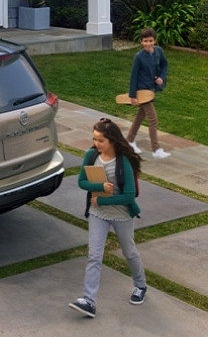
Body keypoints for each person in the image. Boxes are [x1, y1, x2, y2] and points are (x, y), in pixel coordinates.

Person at [69, 118, 147, 318]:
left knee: (129, 252)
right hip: (98, 214)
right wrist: (99, 188)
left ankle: (140, 285)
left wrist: (104, 200)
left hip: (121, 215)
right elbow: (81, 182)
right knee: (94, 255)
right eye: (94, 139)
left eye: (100, 140)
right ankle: (89, 301)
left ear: (112, 140)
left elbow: (129, 195)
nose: (96, 144)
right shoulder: (91, 155)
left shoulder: (124, 162)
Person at [126, 27, 170, 160]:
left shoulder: (158, 52)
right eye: (145, 41)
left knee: (140, 117)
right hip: (142, 91)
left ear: (154, 41)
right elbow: (133, 76)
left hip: (151, 89)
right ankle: (155, 149)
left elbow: (164, 65)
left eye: (150, 41)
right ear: (141, 42)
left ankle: (129, 141)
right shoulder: (139, 57)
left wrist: (161, 77)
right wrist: (132, 95)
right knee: (153, 119)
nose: (148, 43)